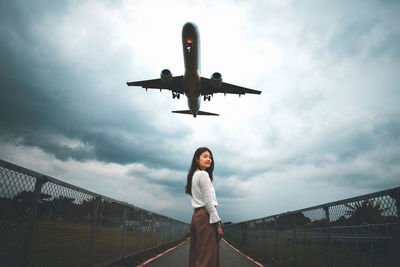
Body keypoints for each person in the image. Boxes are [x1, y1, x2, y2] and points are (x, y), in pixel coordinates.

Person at [186, 147, 224, 267]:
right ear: (197, 159)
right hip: (205, 216)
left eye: (210, 157)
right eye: (205, 156)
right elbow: (208, 202)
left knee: (196, 255)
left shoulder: (194, 175)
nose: (209, 159)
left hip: (196, 217)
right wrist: (217, 223)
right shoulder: (203, 174)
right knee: (208, 256)